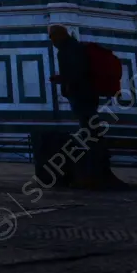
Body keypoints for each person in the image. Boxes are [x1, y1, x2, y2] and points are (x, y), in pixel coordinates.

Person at [48, 25, 110, 178]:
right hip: (86, 93)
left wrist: (66, 82)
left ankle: (96, 163)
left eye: (52, 36)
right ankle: (95, 160)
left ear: (59, 35)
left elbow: (77, 72)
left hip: (82, 94)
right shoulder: (73, 47)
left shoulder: (69, 49)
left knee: (88, 124)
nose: (51, 40)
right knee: (88, 124)